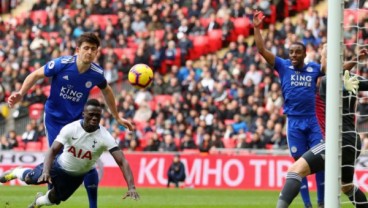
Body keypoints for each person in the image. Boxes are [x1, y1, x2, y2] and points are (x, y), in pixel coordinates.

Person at [7, 32, 134, 208]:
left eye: (93, 49)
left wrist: (117, 116)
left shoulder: (96, 73)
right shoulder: (62, 64)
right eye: (86, 48)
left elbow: (107, 91)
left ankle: (92, 205)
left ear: (97, 52)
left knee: (88, 161)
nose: (89, 52)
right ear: (78, 50)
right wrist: (21, 93)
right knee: (57, 161)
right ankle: (35, 185)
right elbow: (36, 75)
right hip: (54, 119)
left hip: (77, 120)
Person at [0, 99, 139, 207]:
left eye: (98, 115)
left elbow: (122, 161)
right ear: (83, 114)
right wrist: (46, 171)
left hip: (75, 178)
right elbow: (53, 150)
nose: (95, 118)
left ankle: (38, 202)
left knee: (54, 199)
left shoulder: (105, 136)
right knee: (31, 179)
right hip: (57, 166)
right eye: (91, 115)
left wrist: (131, 187)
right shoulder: (71, 128)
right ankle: (16, 172)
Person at [276, 45, 368, 208]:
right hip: (353, 141)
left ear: (328, 60)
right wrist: (354, 61)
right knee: (346, 186)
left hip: (336, 140)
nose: (320, 61)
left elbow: (333, 76)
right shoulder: (352, 79)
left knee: (295, 170)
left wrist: (353, 61)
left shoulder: (324, 82)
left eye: (322, 58)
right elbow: (341, 75)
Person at [253, 11, 325, 207]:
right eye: (291, 52)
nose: (293, 55)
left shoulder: (313, 69)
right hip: (293, 123)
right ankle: (308, 205)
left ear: (304, 54)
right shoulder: (283, 66)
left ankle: (321, 203)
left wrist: (344, 59)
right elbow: (261, 50)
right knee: (298, 167)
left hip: (312, 121)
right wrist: (257, 28)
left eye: (297, 52)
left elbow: (332, 68)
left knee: (322, 161)